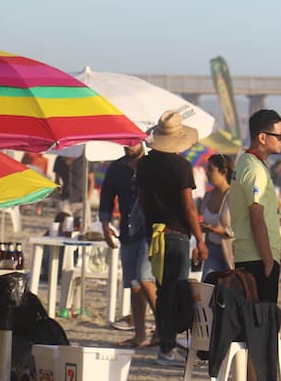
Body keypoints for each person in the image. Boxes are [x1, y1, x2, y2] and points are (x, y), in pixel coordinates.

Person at [137, 111, 207, 367]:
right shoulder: (180, 166)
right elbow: (189, 207)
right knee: (174, 293)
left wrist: (151, 225)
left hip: (154, 235)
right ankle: (167, 346)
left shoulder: (145, 164)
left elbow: (143, 201)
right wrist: (200, 239)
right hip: (176, 235)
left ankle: (166, 342)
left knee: (164, 291)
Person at [229, 109, 281, 381]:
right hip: (255, 257)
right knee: (257, 321)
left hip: (251, 254)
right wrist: (267, 259)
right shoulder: (253, 168)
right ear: (262, 137)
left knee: (256, 321)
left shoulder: (250, 164)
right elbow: (255, 217)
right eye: (279, 135)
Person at [98, 142, 157, 348]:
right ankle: (140, 334)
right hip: (127, 231)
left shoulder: (152, 165)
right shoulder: (116, 168)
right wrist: (105, 225)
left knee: (145, 278)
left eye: (132, 142)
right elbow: (106, 197)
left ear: (141, 141)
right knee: (133, 285)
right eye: (125, 143)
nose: (129, 146)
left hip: (150, 231)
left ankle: (163, 329)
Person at [199, 154, 235, 278]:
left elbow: (243, 226)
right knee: (207, 286)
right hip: (212, 249)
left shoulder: (234, 196)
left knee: (228, 291)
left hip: (231, 251)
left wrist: (222, 231)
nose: (207, 173)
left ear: (223, 171)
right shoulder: (207, 196)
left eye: (210, 169)